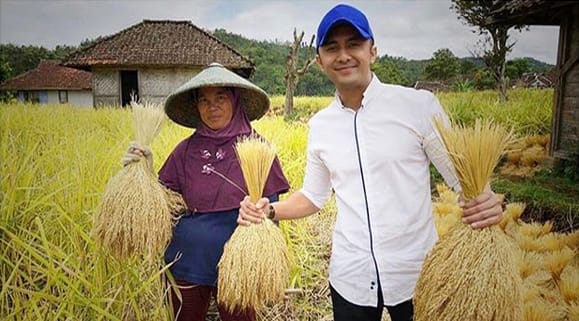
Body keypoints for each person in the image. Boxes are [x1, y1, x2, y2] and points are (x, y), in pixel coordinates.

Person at [238, 4, 503, 321]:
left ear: (372, 51)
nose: (344, 55)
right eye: (332, 47)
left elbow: (464, 178)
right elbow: (313, 196)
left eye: (354, 44)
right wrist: (267, 210)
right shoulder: (321, 125)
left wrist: (485, 199)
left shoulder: (418, 106)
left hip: (418, 273)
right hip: (351, 276)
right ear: (321, 62)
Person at [123, 62, 290, 321]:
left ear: (235, 101)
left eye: (221, 97)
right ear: (196, 106)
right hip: (186, 261)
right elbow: (164, 203)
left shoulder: (258, 149)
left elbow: (272, 210)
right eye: (204, 100)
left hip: (242, 264)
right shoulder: (184, 151)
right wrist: (144, 168)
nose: (212, 107)